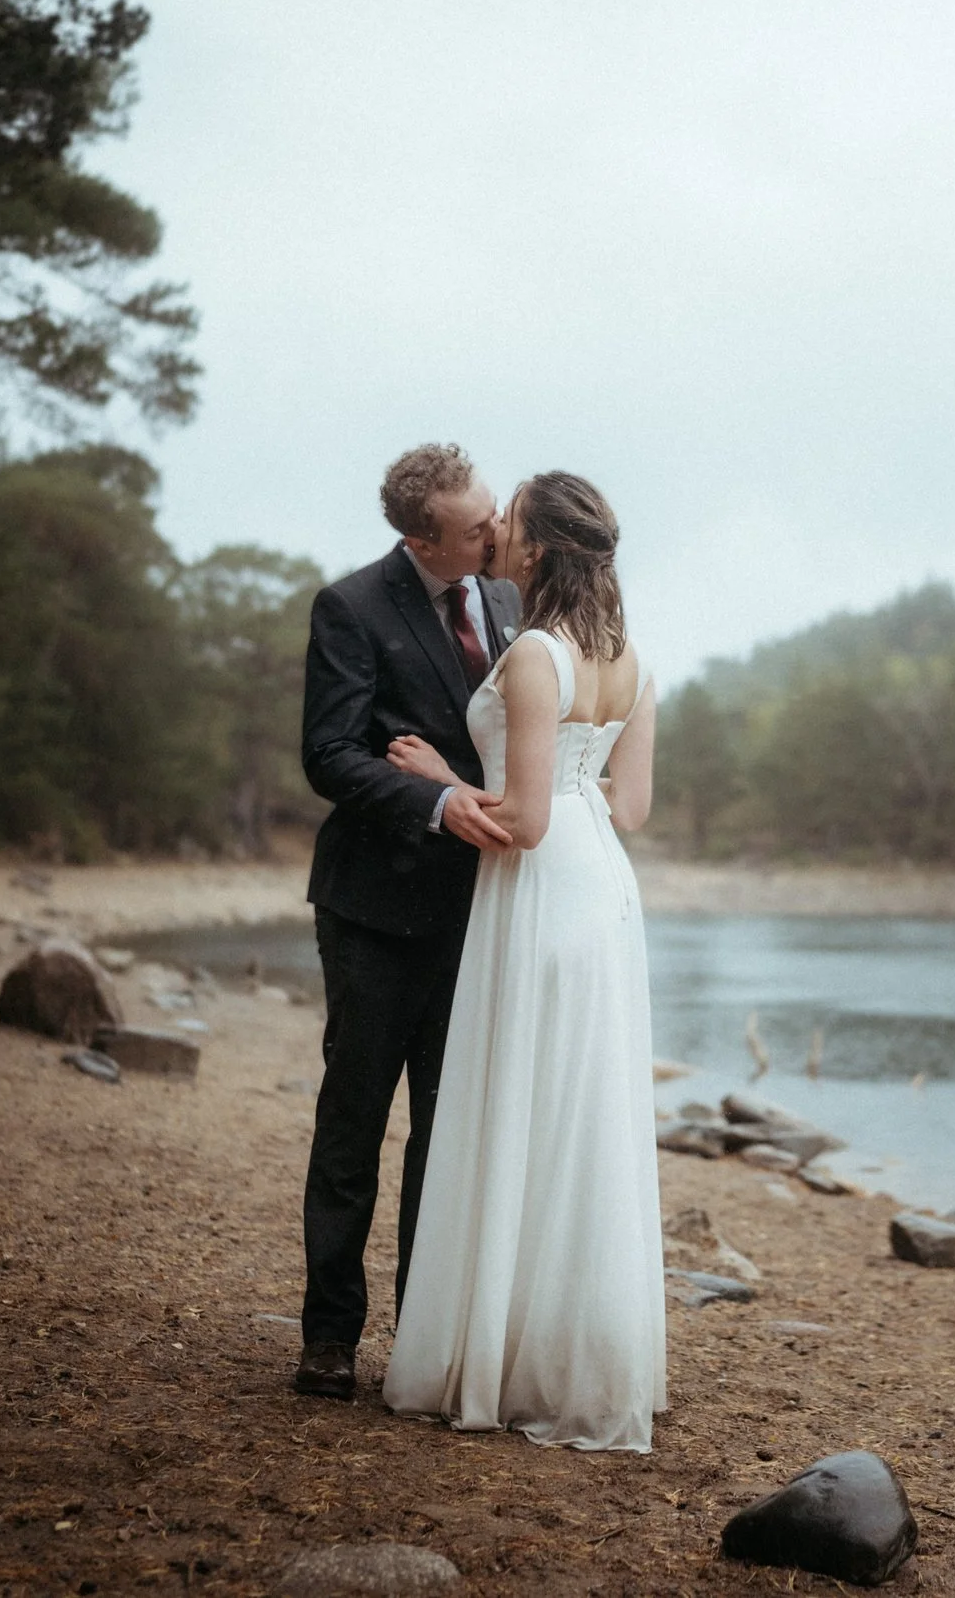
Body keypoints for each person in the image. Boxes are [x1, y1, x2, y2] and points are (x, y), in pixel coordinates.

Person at [379, 470, 666, 1451]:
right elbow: (627, 809)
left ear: (537, 548)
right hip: (606, 892)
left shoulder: (539, 655)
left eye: (509, 520)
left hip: (542, 894)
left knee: (527, 1106)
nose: (493, 529)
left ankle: (515, 1358)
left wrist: (441, 778)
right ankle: (572, 1347)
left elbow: (522, 822)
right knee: (579, 1117)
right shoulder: (630, 659)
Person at [292, 443, 521, 1401]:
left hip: (486, 914)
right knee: (355, 1122)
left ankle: (423, 1341)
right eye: (476, 528)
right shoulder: (350, 607)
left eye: (494, 513)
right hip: (375, 910)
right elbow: (330, 755)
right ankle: (330, 1338)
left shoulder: (509, 602)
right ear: (420, 537)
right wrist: (435, 804)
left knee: (448, 1132)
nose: (498, 533)